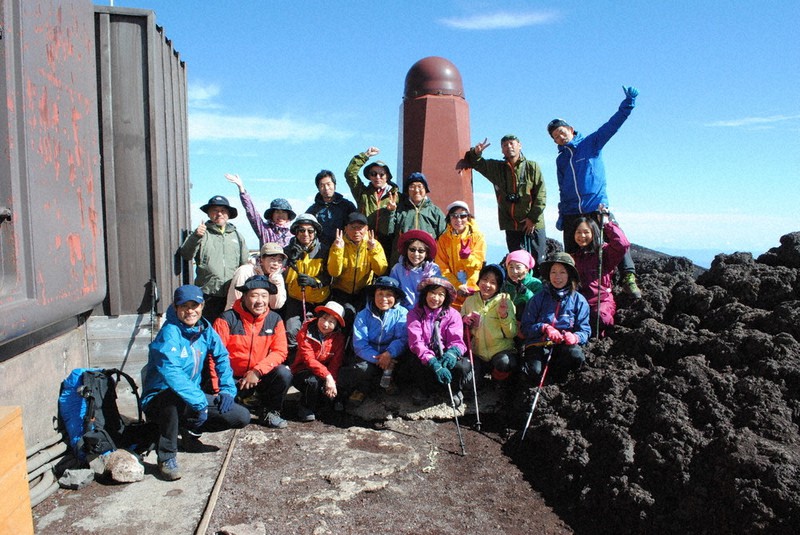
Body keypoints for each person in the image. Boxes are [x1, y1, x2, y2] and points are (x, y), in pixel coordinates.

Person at [142, 285, 250, 481]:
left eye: (195, 305)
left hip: (190, 398)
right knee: (172, 396)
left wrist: (227, 389)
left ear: (202, 306)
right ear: (176, 308)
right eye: (184, 306)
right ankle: (166, 456)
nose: (190, 311)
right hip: (160, 401)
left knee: (240, 416)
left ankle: (189, 431)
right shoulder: (170, 333)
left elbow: (222, 357)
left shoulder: (204, 329)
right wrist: (200, 402)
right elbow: (171, 372)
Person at [547, 85, 642, 298]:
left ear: (571, 129)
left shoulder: (591, 143)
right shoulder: (561, 159)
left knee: (617, 240)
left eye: (561, 132)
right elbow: (562, 188)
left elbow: (612, 125)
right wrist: (562, 213)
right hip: (572, 210)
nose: (560, 137)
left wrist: (628, 104)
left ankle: (628, 277)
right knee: (573, 252)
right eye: (555, 137)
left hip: (596, 206)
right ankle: (573, 287)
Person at [212, 276, 292, 429]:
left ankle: (270, 411)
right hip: (230, 379)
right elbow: (214, 357)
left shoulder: (275, 319)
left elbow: (280, 351)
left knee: (284, 373)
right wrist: (218, 389)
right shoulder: (226, 319)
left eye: (264, 296)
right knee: (229, 415)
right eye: (254, 295)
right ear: (244, 296)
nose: (260, 301)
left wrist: (257, 371)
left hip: (258, 378)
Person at [465, 134, 547, 267]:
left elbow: (541, 195)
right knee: (516, 263)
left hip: (533, 225)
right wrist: (476, 152)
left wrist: (532, 218)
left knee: (538, 263)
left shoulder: (532, 167)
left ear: (519, 146)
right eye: (504, 145)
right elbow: (476, 163)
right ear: (502, 150)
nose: (508, 147)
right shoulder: (497, 168)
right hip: (511, 224)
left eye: (511, 143)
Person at [519, 252, 591, 384]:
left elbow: (585, 330)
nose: (557, 277)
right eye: (553, 272)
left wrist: (575, 337)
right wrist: (544, 327)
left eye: (562, 272)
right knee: (533, 372)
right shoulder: (537, 299)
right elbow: (525, 327)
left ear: (569, 275)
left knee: (575, 356)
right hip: (538, 345)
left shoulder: (579, 301)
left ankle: (559, 380)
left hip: (563, 347)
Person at [338, 276, 409, 405]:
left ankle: (389, 380)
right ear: (373, 296)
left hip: (391, 354)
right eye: (380, 294)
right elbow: (360, 344)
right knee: (363, 369)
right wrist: (380, 359)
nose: (384, 299)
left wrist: (389, 354)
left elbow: (402, 338)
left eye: (389, 295)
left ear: (396, 297)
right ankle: (362, 388)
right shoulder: (363, 315)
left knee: (406, 364)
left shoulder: (402, 313)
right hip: (369, 355)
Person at [179, 195, 249, 321]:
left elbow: (244, 265)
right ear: (209, 214)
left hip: (232, 294)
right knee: (207, 329)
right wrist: (196, 237)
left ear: (228, 214)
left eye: (223, 211)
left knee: (229, 330)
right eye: (215, 210)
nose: (219, 214)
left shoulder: (237, 236)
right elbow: (186, 255)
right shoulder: (201, 233)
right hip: (207, 293)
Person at [406, 277, 471, 407]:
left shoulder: (453, 314)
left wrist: (452, 353)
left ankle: (454, 389)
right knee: (413, 362)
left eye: (441, 294)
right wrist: (433, 362)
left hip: (444, 354)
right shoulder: (414, 314)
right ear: (425, 294)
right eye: (433, 293)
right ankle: (423, 390)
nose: (436, 298)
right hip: (425, 355)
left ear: (446, 297)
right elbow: (416, 342)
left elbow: (457, 340)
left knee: (463, 366)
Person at [571, 206, 631, 337]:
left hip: (601, 302)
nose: (582, 236)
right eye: (578, 232)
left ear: (594, 232)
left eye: (586, 232)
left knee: (600, 317)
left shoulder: (603, 253)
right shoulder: (573, 257)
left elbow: (622, 244)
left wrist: (607, 223)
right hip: (580, 303)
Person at [283, 213, 331, 354]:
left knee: (317, 332)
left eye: (310, 231)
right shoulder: (287, 251)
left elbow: (331, 276)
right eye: (301, 230)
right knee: (291, 331)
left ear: (315, 232)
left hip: (319, 300)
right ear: (296, 232)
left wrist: (314, 281)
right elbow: (280, 275)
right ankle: (294, 362)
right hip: (296, 299)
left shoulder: (325, 250)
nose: (306, 234)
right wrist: (290, 261)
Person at [462, 264, 518, 386]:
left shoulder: (505, 301)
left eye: (493, 282)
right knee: (469, 385)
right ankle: (481, 381)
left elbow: (512, 333)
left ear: (498, 286)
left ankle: (498, 381)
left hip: (501, 352)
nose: (487, 285)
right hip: (478, 353)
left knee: (504, 362)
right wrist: (465, 320)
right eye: (485, 279)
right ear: (479, 280)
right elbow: (460, 326)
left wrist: (504, 315)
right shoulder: (469, 301)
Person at [289, 301, 346, 422]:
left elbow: (336, 362)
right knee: (313, 382)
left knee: (340, 380)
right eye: (324, 318)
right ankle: (305, 406)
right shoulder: (306, 332)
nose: (325, 324)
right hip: (302, 370)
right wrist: (328, 377)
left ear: (336, 325)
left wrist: (332, 381)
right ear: (318, 317)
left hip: (324, 373)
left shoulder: (339, 338)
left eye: (331, 322)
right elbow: (309, 360)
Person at [377, 172, 447, 264]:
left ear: (426, 189)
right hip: (402, 261)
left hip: (428, 262)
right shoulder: (399, 209)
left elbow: (445, 237)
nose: (416, 190)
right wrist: (390, 212)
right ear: (407, 190)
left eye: (420, 186)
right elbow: (386, 231)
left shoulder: (435, 211)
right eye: (412, 186)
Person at [327, 212, 388, 313]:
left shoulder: (373, 244)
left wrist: (373, 250)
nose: (356, 231)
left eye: (360, 227)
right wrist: (338, 250)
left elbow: (380, 270)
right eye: (353, 227)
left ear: (366, 229)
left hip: (364, 290)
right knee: (347, 315)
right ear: (346, 228)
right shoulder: (339, 244)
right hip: (341, 291)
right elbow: (334, 272)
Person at [344, 146, 400, 253]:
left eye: (381, 174)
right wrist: (365, 156)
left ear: (387, 176)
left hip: (387, 244)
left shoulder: (397, 196)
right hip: (364, 242)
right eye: (373, 174)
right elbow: (350, 174)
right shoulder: (362, 193)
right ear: (369, 176)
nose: (377, 177)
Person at [435, 201, 486, 310]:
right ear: (449, 218)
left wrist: (467, 258)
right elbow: (442, 268)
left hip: (472, 291)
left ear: (468, 217)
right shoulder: (443, 239)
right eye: (454, 216)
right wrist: (457, 286)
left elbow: (479, 265)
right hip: (452, 293)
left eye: (463, 216)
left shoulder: (477, 237)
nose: (458, 220)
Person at [225, 173, 295, 247]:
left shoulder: (295, 232)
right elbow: (251, 213)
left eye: (284, 212)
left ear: (288, 215)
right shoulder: (264, 229)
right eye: (277, 212)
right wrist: (241, 189)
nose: (280, 215)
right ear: (272, 215)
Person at [225, 242, 287, 312]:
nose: (276, 264)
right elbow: (235, 299)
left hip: (262, 316)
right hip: (240, 314)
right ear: (262, 259)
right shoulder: (245, 271)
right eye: (272, 259)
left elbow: (276, 305)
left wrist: (276, 284)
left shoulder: (278, 277)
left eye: (279, 260)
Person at [389, 229, 442, 310]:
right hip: (402, 312)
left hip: (426, 311)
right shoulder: (397, 269)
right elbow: (393, 293)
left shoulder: (433, 269)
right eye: (412, 249)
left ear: (426, 253)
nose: (416, 254)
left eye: (421, 251)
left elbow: (436, 294)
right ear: (407, 250)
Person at [305, 169, 357, 247]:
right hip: (321, 251)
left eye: (329, 184)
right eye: (322, 185)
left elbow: (356, 226)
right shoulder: (312, 210)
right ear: (318, 188)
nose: (326, 188)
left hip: (344, 248)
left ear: (334, 185)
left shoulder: (347, 206)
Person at [501, 249, 542, 320]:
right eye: (511, 267)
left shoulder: (535, 284)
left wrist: (526, 292)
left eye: (518, 267)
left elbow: (539, 305)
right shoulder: (504, 285)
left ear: (527, 269)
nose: (514, 271)